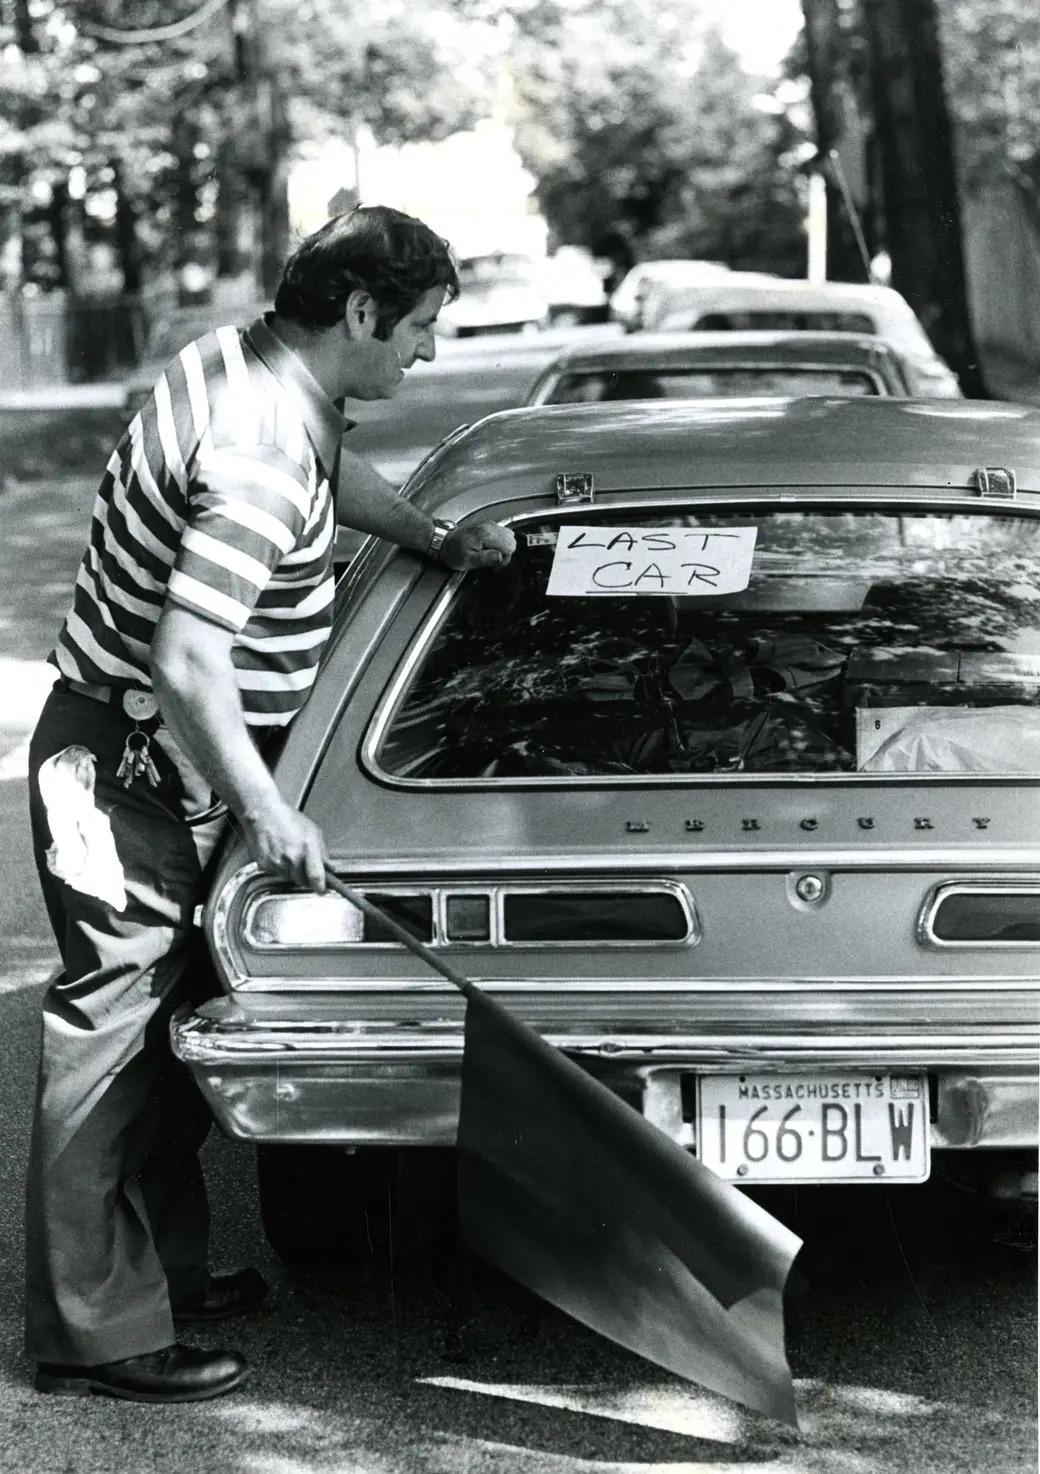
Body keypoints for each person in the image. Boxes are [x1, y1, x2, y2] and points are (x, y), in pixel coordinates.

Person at [24, 205, 515, 1404]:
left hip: (163, 768)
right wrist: (272, 810)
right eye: (418, 330)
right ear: (357, 313)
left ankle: (168, 1276)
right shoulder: (248, 449)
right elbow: (188, 658)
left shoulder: (257, 365)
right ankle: (98, 1338)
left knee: (177, 1028)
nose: (426, 355)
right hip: (132, 771)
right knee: (114, 1047)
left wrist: (432, 537)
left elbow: (333, 469)